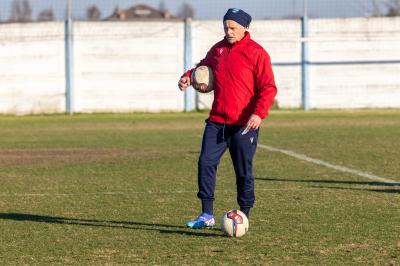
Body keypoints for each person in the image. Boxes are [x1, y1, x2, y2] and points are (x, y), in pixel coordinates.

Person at [178, 8, 277, 229]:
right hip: (217, 121)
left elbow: (269, 88)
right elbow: (202, 68)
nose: (229, 32)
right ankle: (206, 214)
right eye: (226, 27)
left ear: (245, 28)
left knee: (243, 171)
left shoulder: (257, 53)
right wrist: (187, 77)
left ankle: (244, 214)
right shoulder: (218, 49)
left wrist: (258, 113)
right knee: (205, 162)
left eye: (233, 28)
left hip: (244, 124)